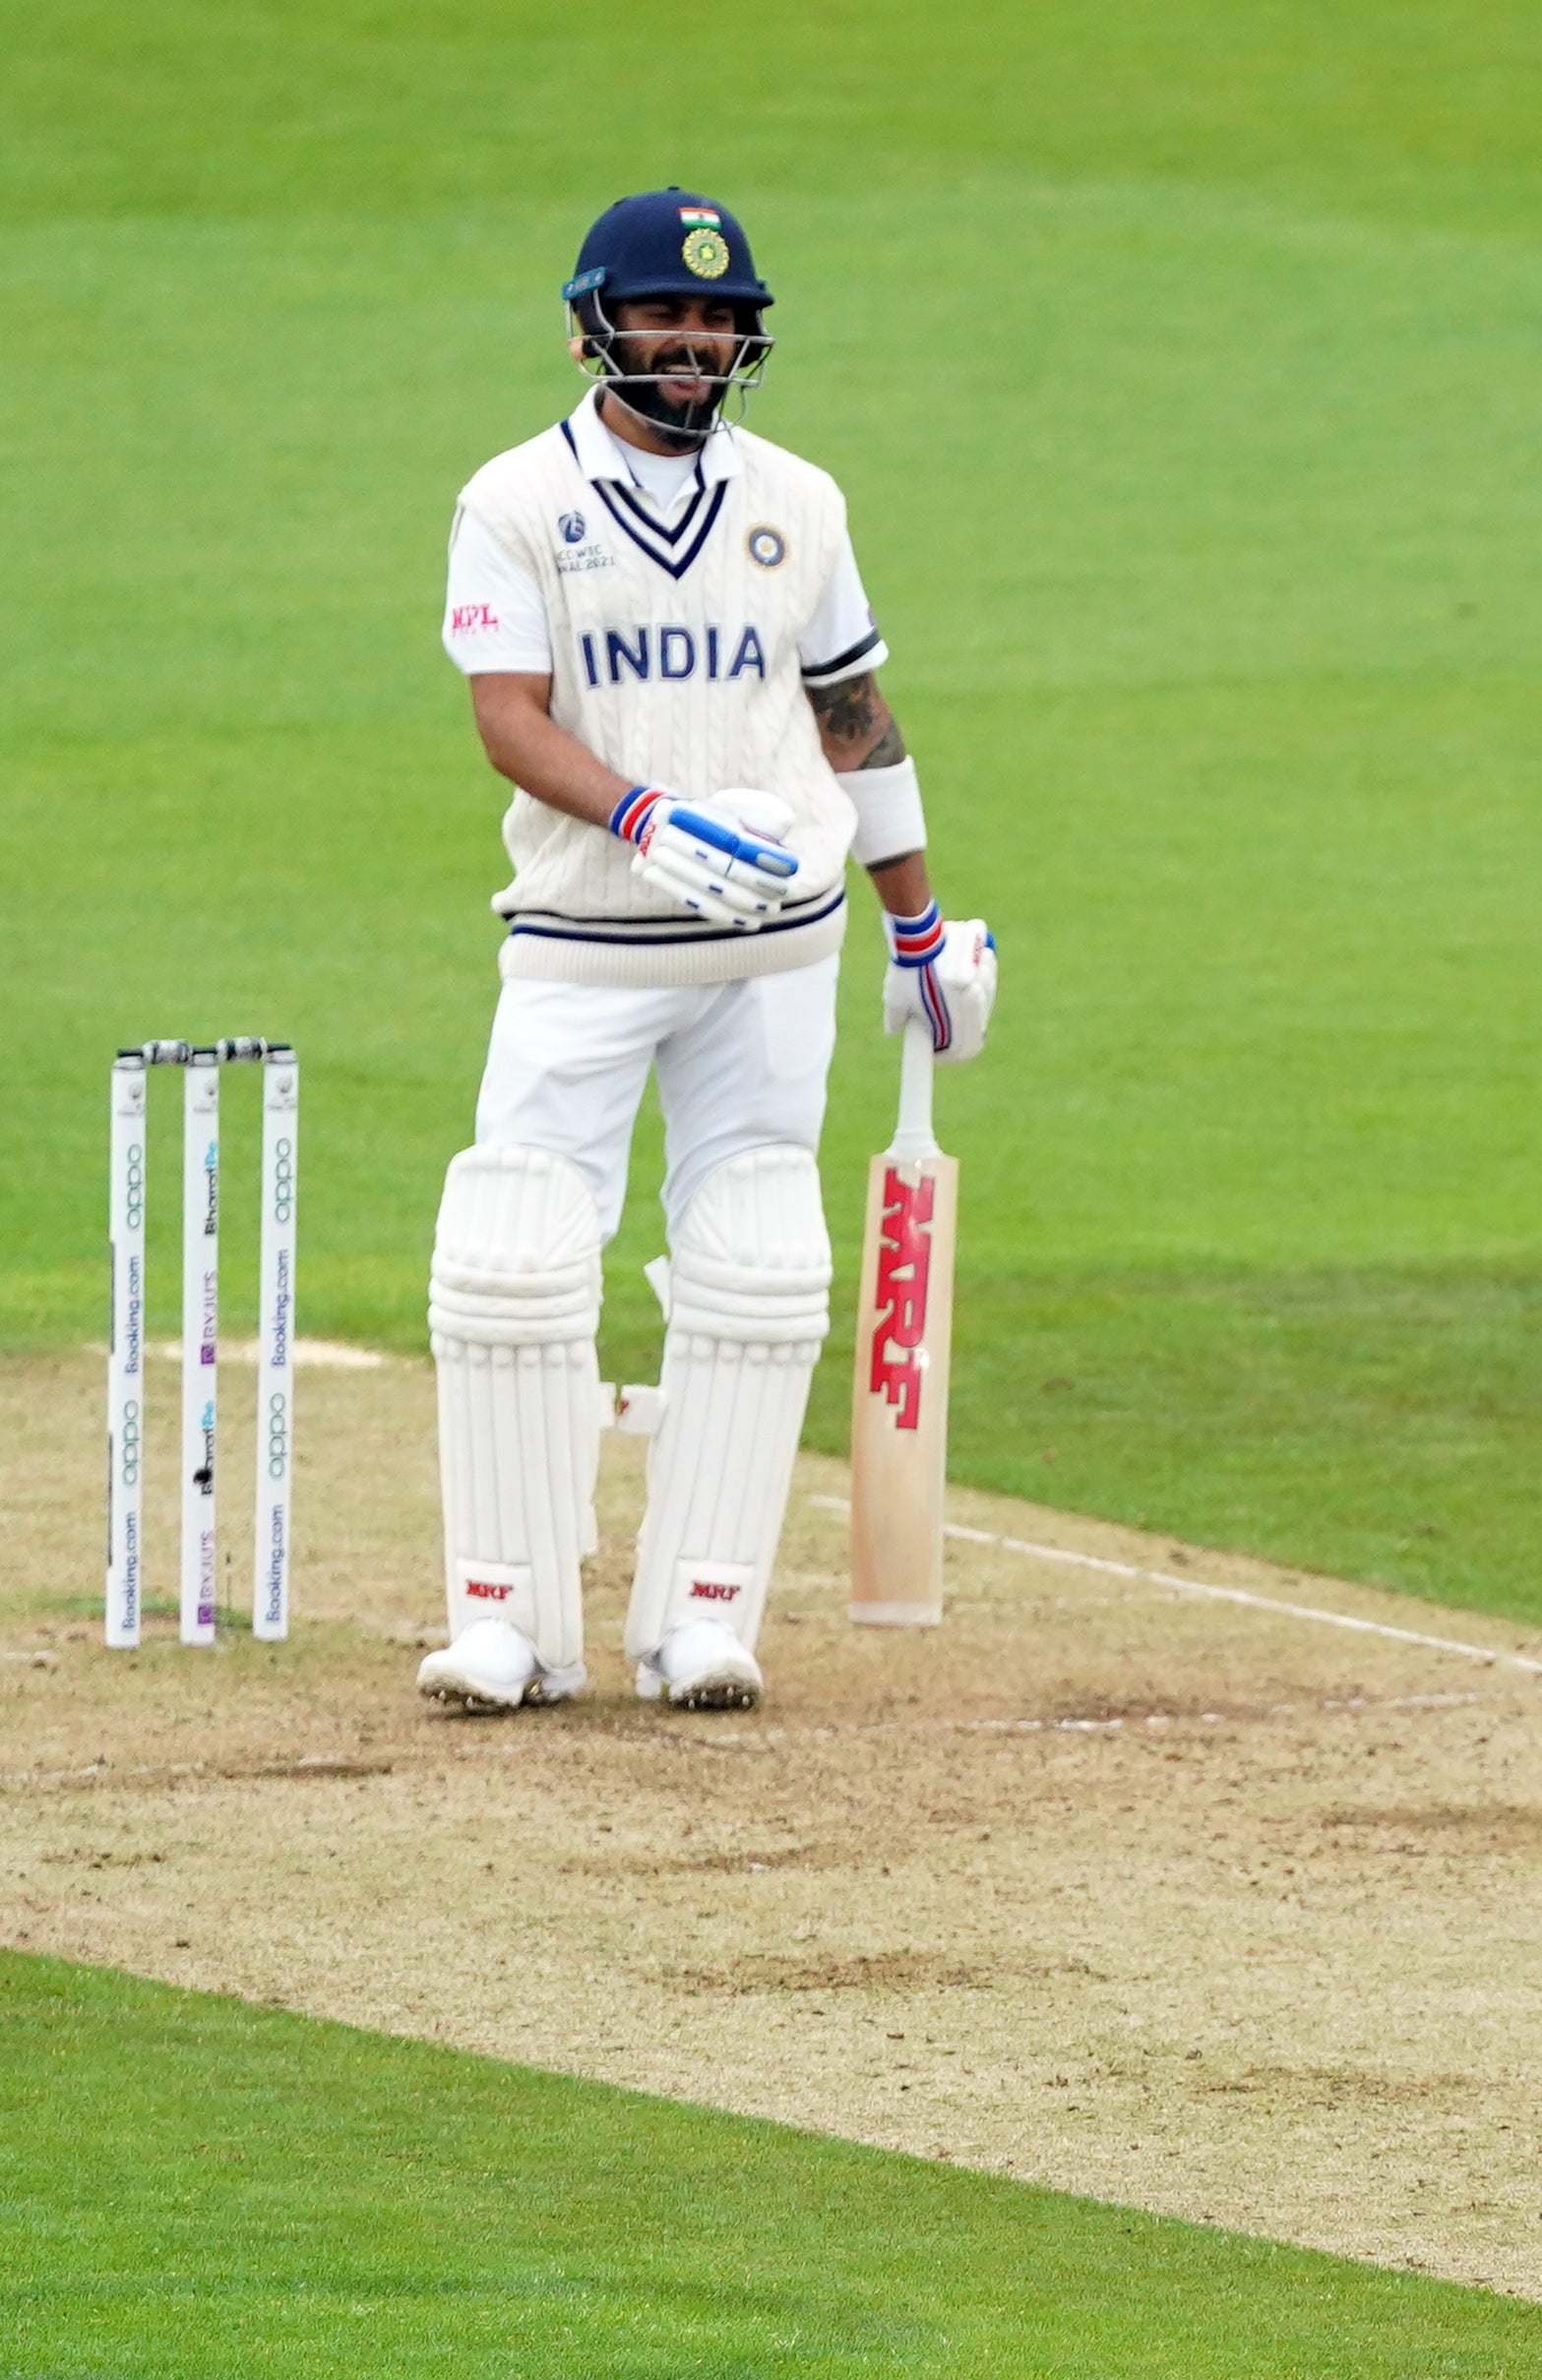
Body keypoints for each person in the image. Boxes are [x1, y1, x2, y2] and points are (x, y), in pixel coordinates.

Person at [414, 188, 995, 1715]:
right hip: (584, 939)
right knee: (515, 1254)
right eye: (665, 313)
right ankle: (509, 1624)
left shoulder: (801, 499)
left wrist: (919, 919)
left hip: (772, 949)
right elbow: (508, 717)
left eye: (719, 318)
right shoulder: (513, 501)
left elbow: (856, 717)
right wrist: (645, 813)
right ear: (591, 324)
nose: (693, 340)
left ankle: (700, 1619)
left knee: (758, 1256)